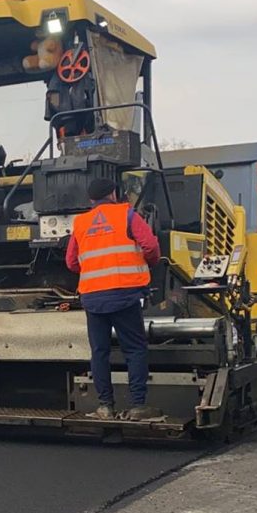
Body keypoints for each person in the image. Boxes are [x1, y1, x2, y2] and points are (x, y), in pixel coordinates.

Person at [65, 178, 161, 421]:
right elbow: (150, 246)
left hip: (93, 297)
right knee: (134, 349)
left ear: (91, 199)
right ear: (114, 194)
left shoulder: (81, 223)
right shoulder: (127, 215)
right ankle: (138, 405)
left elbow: (71, 262)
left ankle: (105, 406)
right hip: (125, 294)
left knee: (99, 352)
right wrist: (145, 263)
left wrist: (95, 268)